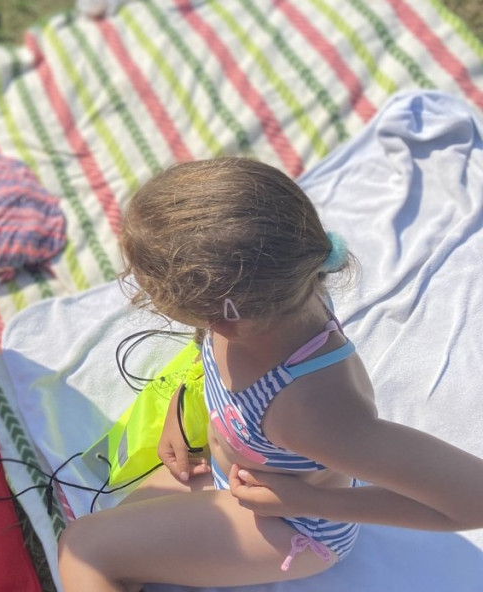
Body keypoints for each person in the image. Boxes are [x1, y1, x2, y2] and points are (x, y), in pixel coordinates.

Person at [57, 157, 483, 590]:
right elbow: (209, 357)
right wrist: (183, 405)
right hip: (231, 476)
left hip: (294, 526)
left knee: (85, 547)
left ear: (223, 318)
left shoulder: (310, 409)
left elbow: (473, 501)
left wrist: (310, 499)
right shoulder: (268, 299)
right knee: (117, 528)